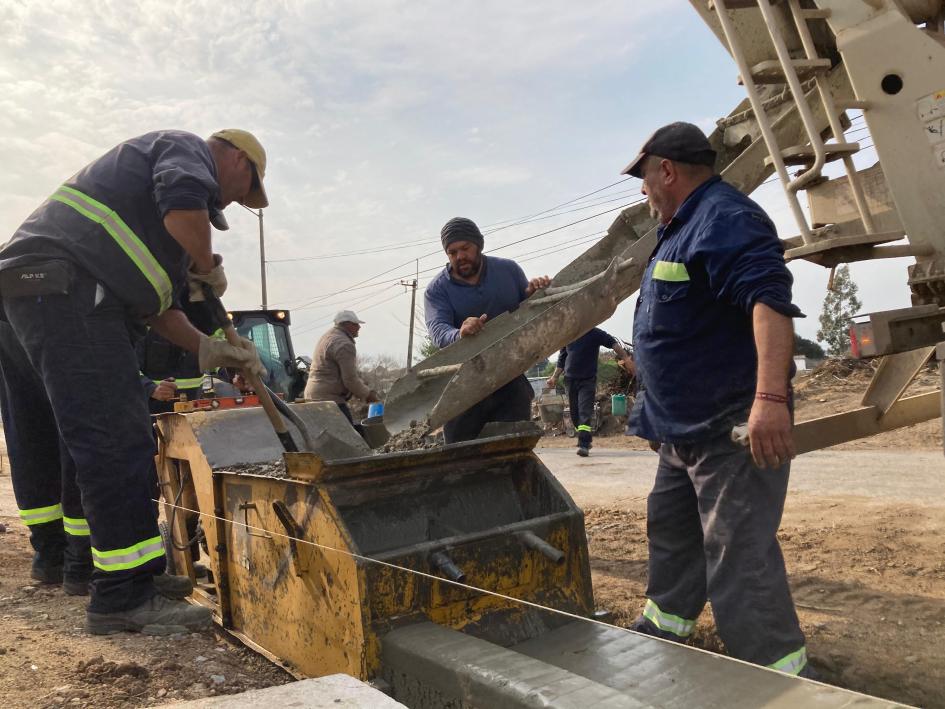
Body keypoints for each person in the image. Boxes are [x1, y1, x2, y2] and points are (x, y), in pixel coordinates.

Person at [0, 129, 269, 635]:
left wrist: (211, 348)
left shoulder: (153, 239)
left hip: (75, 294)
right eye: (241, 189)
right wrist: (206, 267)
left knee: (127, 435)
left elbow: (160, 312)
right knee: (112, 440)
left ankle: (137, 574)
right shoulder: (186, 149)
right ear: (236, 157)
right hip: (64, 288)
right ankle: (121, 598)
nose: (229, 202)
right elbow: (187, 210)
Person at [622, 122, 811, 677]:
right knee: (673, 538)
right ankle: (664, 639)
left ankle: (776, 679)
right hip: (680, 432)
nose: (642, 191)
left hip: (728, 427)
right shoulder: (680, 227)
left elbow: (768, 303)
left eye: (643, 178)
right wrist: (652, 412)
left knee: (738, 558)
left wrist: (771, 399)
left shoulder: (726, 218)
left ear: (667, 170)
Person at [424, 217, 551, 443]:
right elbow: (438, 331)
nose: (459, 256)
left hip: (509, 377)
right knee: (460, 455)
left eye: (465, 248)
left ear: (479, 245)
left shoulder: (508, 271)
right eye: (452, 252)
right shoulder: (437, 290)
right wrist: (459, 333)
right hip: (464, 388)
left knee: (514, 448)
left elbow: (528, 313)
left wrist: (535, 294)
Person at [546, 327, 632, 457]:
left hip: (587, 380)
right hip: (570, 380)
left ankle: (584, 444)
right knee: (575, 415)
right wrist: (554, 377)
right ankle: (585, 437)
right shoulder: (569, 334)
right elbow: (562, 359)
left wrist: (626, 359)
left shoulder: (595, 333)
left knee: (584, 411)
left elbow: (613, 343)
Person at [304, 310, 379, 430]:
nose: (359, 327)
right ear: (347, 324)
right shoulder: (344, 344)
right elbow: (350, 380)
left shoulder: (327, 337)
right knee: (350, 437)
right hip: (329, 400)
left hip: (313, 396)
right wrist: (368, 395)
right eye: (356, 324)